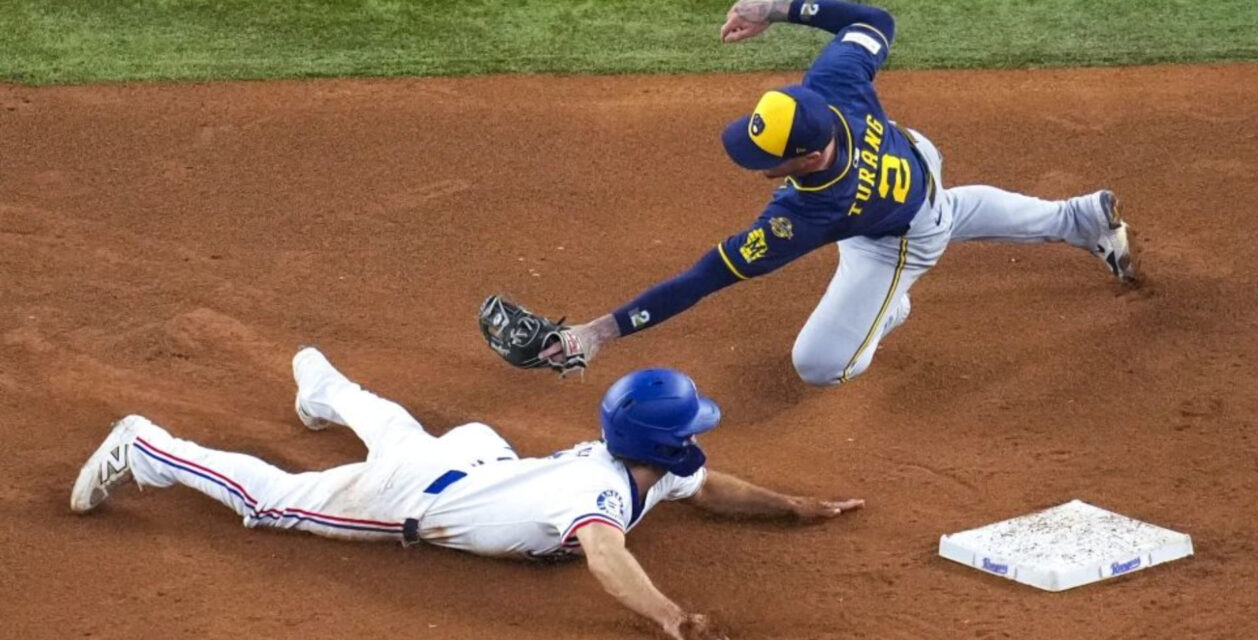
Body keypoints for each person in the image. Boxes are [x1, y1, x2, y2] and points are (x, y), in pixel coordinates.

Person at [497, 0, 1137, 386]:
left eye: (763, 159)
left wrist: (602, 332)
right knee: (942, 201)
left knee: (820, 366)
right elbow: (875, 19)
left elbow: (706, 276)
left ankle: (890, 308)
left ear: (803, 157)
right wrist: (776, 8)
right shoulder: (834, 82)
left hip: (898, 238)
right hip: (913, 156)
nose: (754, 166)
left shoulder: (808, 212)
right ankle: (1078, 219)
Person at [70, 347, 862, 640]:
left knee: (405, 435)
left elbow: (710, 487)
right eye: (690, 425)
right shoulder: (600, 497)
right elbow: (605, 553)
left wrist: (796, 506)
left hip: (480, 460)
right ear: (663, 441)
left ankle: (324, 383)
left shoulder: (647, 464)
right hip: (407, 498)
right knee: (272, 502)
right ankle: (149, 446)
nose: (699, 437)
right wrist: (666, 616)